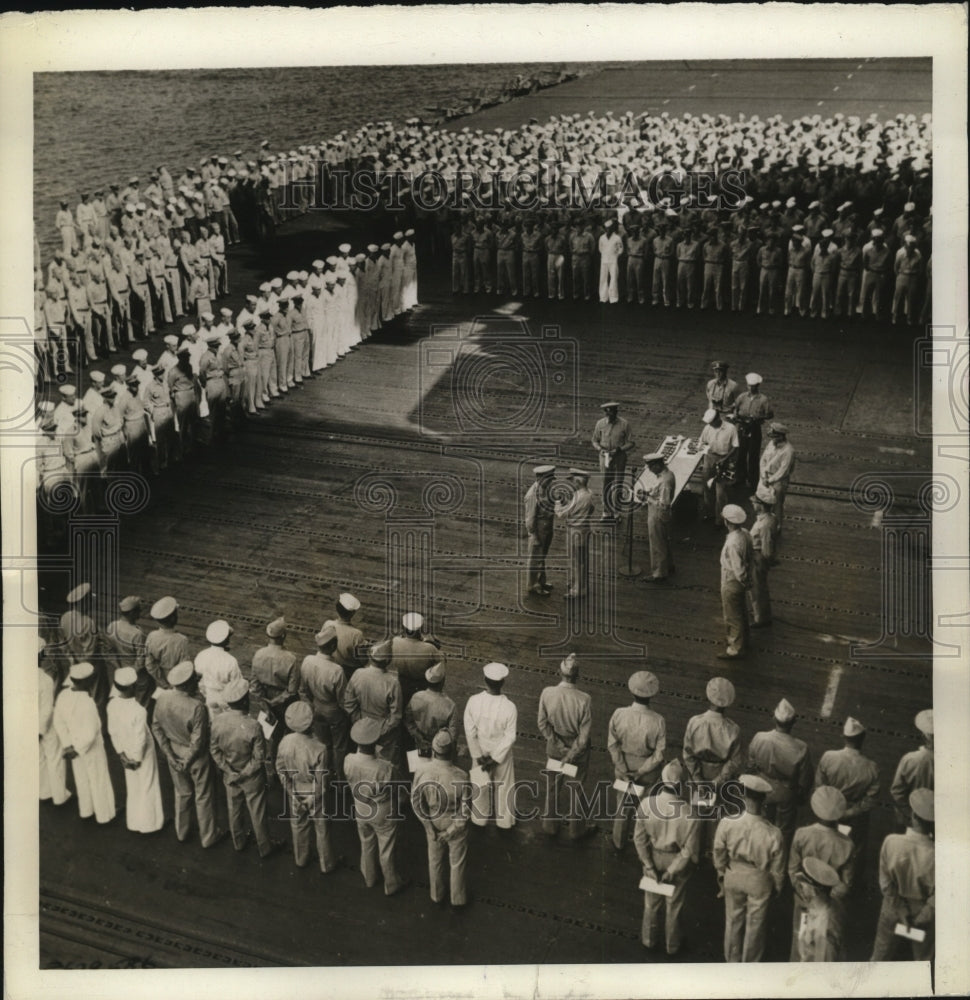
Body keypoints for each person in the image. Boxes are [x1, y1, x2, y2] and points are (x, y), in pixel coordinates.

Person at [150, 660, 225, 847]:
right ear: (188, 683)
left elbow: (156, 727)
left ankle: (181, 831)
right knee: (203, 795)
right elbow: (198, 740)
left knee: (182, 793)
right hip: (195, 756)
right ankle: (208, 836)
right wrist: (187, 760)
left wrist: (169, 755)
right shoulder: (197, 706)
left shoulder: (162, 698)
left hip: (173, 750)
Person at [712, 773, 785, 963]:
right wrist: (777, 886)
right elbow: (777, 867)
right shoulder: (774, 833)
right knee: (756, 925)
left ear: (742, 796)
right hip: (759, 879)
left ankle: (731, 960)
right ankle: (749, 963)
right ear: (763, 801)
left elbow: (718, 850)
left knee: (733, 920)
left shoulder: (728, 822)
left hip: (733, 873)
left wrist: (721, 871)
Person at [633, 759, 702, 955]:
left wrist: (647, 865)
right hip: (676, 861)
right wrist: (672, 871)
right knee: (675, 905)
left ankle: (648, 940)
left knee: (651, 903)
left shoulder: (647, 804)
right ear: (681, 785)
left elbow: (639, 839)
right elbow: (689, 850)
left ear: (662, 782)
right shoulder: (690, 813)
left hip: (653, 857)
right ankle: (673, 945)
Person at [210, 678, 282, 858]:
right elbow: (258, 758)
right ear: (244, 701)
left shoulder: (218, 721)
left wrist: (229, 771)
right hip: (251, 777)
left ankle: (239, 842)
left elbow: (215, 750)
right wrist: (244, 773)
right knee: (257, 811)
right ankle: (264, 846)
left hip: (230, 774)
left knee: (234, 809)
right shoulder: (253, 726)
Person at [344, 717, 410, 895]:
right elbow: (398, 785)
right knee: (386, 846)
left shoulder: (348, 760)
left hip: (360, 806)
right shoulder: (385, 767)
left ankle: (369, 876)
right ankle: (391, 883)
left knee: (366, 841)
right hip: (382, 809)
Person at [788, 786, 855, 959]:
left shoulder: (802, 834)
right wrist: (829, 897)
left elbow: (793, 869)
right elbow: (846, 884)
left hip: (803, 898)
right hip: (829, 904)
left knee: (800, 938)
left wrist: (802, 891)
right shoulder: (846, 844)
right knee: (824, 946)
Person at [870, 788, 935, 961]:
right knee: (923, 960)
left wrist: (900, 909)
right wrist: (924, 915)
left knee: (881, 954)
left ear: (913, 816)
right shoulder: (938, 854)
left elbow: (886, 882)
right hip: (923, 912)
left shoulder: (891, 842)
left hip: (893, 905)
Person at [537, 653, 596, 841]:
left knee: (553, 786)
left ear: (559, 672)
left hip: (555, 748)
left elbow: (542, 723)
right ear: (578, 675)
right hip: (577, 753)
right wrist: (570, 754)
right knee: (576, 788)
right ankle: (576, 830)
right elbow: (584, 736)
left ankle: (550, 825)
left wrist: (559, 747)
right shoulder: (584, 699)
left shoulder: (547, 692)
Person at [411, 729, 472, 908]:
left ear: (433, 749)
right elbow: (465, 811)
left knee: (435, 860)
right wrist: (451, 830)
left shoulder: (421, 771)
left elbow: (416, 802)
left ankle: (436, 895)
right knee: (457, 862)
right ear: (452, 750)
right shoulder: (461, 776)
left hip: (433, 818)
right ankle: (458, 899)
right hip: (454, 822)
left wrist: (429, 827)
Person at [683, 677, 742, 857]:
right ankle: (712, 852)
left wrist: (698, 779)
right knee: (717, 815)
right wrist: (717, 781)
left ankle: (693, 852)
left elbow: (688, 753)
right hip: (719, 773)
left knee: (696, 814)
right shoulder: (733, 729)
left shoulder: (695, 722)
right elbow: (734, 761)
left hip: (699, 772)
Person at [276, 701, 339, 873]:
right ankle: (326, 864)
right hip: (314, 792)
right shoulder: (320, 748)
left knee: (298, 825)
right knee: (321, 827)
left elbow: (281, 770)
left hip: (295, 789)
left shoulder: (284, 742)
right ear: (311, 723)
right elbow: (321, 780)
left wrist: (291, 792)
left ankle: (301, 858)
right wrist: (313, 798)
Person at [608, 670, 665, 854]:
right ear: (652, 695)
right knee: (646, 809)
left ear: (632, 692)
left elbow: (612, 744)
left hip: (624, 766)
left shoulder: (619, 714)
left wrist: (623, 769)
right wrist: (641, 772)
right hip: (647, 772)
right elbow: (659, 754)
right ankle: (644, 845)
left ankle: (618, 842)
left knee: (623, 807)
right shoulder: (658, 721)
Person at [52, 662, 116, 824]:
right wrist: (78, 748)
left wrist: (68, 745)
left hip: (73, 745)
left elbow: (58, 721)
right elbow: (91, 732)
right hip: (90, 749)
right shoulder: (87, 703)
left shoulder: (63, 695)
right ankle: (104, 815)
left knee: (81, 779)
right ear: (85, 681)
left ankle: (86, 810)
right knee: (98, 779)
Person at [747, 698, 813, 853]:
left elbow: (750, 765)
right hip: (786, 791)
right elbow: (805, 779)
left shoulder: (759, 737)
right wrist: (801, 795)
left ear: (774, 718)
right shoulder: (801, 747)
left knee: (761, 823)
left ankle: (759, 853)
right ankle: (778, 861)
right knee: (784, 831)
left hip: (762, 787)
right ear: (793, 722)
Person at [106, 666, 164, 833]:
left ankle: (134, 821)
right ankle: (149, 824)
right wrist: (137, 759)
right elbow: (141, 738)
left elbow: (113, 732)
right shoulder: (139, 710)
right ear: (132, 686)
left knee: (133, 786)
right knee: (147, 784)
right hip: (141, 754)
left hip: (125, 750)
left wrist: (122, 755)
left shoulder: (112, 705)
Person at [815, 717, 880, 857]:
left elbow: (819, 788)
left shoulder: (828, 757)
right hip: (855, 817)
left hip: (829, 810)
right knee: (852, 852)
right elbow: (871, 800)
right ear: (862, 738)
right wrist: (850, 812)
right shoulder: (872, 767)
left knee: (823, 845)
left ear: (844, 737)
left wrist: (831, 808)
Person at [464, 662, 518, 831]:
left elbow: (469, 730)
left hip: (480, 751)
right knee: (504, 787)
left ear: (485, 680)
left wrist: (478, 756)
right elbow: (510, 736)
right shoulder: (510, 707)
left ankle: (479, 819)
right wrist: (495, 759)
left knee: (479, 786)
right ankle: (504, 821)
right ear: (502, 682)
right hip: (501, 754)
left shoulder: (473, 701)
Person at [342, 638, 404, 775]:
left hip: (363, 726)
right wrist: (382, 730)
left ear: (370, 657)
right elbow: (396, 716)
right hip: (384, 731)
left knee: (363, 762)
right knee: (387, 766)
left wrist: (359, 721)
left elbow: (349, 703)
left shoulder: (358, 674)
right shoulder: (392, 682)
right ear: (388, 660)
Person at [299, 622, 350, 780]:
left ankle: (324, 776)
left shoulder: (307, 661)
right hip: (333, 711)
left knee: (323, 744)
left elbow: (303, 689)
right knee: (339, 746)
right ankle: (341, 779)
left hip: (316, 706)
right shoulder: (336, 670)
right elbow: (343, 700)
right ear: (333, 645)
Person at [250, 616, 299, 731]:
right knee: (285, 729)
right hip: (283, 701)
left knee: (267, 729)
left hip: (264, 698)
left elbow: (254, 684)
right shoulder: (291, 659)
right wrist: (275, 701)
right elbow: (292, 691)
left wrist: (265, 704)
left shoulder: (258, 654)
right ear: (283, 636)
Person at [793, 857, 845, 962]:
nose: (801, 888)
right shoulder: (822, 904)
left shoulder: (824, 930)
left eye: (803, 885)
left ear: (813, 891)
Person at [718, 504, 753, 660]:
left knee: (732, 615)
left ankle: (735, 648)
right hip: (739, 580)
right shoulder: (745, 534)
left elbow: (738, 568)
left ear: (728, 522)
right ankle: (745, 640)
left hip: (731, 579)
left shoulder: (732, 543)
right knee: (741, 611)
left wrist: (744, 580)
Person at [39, 638, 71, 807]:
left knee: (39, 759)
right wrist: (40, 730)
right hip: (46, 726)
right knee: (55, 758)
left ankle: (44, 791)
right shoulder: (45, 680)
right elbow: (46, 709)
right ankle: (59, 795)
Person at [555, 468, 596, 599]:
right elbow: (590, 509)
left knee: (577, 561)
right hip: (584, 529)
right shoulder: (589, 493)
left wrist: (558, 503)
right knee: (582, 560)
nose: (572, 483)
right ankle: (580, 585)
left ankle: (577, 590)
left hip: (575, 531)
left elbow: (561, 514)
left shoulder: (578, 496)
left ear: (578, 481)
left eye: (573, 481)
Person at [404, 661, 459, 757]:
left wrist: (418, 737)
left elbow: (408, 720)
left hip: (418, 744)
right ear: (443, 681)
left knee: (418, 771)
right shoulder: (450, 705)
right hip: (440, 749)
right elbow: (453, 735)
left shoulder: (416, 697)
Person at [104, 595, 151, 706]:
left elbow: (108, 651)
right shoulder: (137, 633)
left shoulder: (112, 626)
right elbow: (141, 660)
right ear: (131, 613)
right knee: (140, 704)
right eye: (138, 610)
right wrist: (131, 674)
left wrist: (118, 668)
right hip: (137, 674)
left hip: (119, 669)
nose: (140, 612)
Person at [890, 709, 934, 828]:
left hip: (909, 821)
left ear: (924, 735)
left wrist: (910, 815)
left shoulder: (910, 759)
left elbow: (897, 792)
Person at [591, 402, 635, 518]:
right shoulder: (599, 424)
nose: (610, 415)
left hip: (619, 457)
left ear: (616, 412)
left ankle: (616, 511)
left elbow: (631, 442)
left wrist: (620, 449)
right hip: (604, 457)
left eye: (612, 412)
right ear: (605, 412)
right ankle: (606, 510)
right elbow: (594, 440)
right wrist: (599, 449)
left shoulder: (624, 424)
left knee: (618, 483)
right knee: (606, 483)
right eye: (607, 412)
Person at [390, 611, 441, 709]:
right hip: (421, 684)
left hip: (402, 681)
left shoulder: (395, 641)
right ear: (420, 629)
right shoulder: (429, 648)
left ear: (404, 627)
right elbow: (439, 663)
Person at [194, 618, 244, 718]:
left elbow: (200, 682)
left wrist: (206, 693)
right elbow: (238, 685)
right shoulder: (230, 660)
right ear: (226, 639)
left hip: (209, 696)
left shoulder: (201, 655)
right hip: (226, 700)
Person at [639, 451, 675, 583]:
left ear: (657, 465)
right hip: (661, 513)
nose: (649, 470)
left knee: (657, 543)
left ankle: (659, 573)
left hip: (658, 513)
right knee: (664, 540)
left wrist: (646, 498)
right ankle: (669, 566)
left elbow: (664, 504)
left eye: (650, 467)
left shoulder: (665, 481)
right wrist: (650, 492)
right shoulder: (666, 475)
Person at [732, 373, 773, 489]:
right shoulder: (742, 397)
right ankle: (740, 478)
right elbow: (735, 408)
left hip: (755, 429)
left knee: (753, 456)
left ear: (758, 386)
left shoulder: (763, 400)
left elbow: (770, 414)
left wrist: (759, 418)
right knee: (740, 454)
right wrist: (736, 416)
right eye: (749, 386)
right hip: (741, 427)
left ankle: (753, 482)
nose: (751, 388)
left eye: (753, 386)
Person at [699, 408, 739, 525]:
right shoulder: (707, 428)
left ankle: (719, 519)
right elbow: (703, 443)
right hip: (709, 457)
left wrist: (724, 460)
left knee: (720, 492)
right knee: (707, 487)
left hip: (723, 459)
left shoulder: (731, 429)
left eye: (712, 422)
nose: (711, 425)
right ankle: (709, 513)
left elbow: (735, 447)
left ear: (718, 419)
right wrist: (703, 461)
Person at [144, 595, 189, 695]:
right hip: (177, 682)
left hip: (160, 682)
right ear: (173, 618)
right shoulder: (181, 640)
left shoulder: (152, 636)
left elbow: (149, 665)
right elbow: (184, 666)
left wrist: (162, 682)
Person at [524, 464, 556, 596]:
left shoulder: (546, 488)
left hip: (547, 527)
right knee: (535, 558)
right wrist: (534, 536)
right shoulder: (532, 495)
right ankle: (533, 585)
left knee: (541, 556)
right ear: (540, 478)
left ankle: (541, 581)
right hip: (538, 530)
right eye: (548, 478)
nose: (551, 481)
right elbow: (530, 519)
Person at [759, 422, 796, 531]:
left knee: (777, 504)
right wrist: (763, 475)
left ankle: (777, 526)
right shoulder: (771, 443)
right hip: (765, 477)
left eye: (774, 437)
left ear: (781, 436)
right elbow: (763, 460)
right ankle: (764, 524)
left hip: (778, 481)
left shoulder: (788, 451)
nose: (772, 440)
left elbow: (783, 471)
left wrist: (770, 480)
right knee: (763, 502)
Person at [321, 592, 367, 678]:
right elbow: (364, 661)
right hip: (348, 673)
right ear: (353, 613)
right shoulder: (356, 634)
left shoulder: (328, 624)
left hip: (329, 666)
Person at [748, 494, 776, 628]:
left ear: (761, 505)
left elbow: (767, 545)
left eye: (755, 502)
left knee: (757, 588)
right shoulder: (770, 518)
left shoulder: (765, 524)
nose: (753, 504)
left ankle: (761, 618)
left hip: (758, 557)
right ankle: (760, 613)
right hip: (758, 556)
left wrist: (764, 561)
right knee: (759, 587)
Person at [598, 218, 624, 303]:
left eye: (610, 228)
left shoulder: (617, 238)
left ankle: (613, 298)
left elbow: (620, 249)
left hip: (613, 260)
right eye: (606, 228)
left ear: (612, 229)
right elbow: (600, 248)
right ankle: (603, 297)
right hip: (604, 260)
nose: (608, 230)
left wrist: (616, 256)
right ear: (605, 229)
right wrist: (605, 255)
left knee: (614, 278)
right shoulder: (602, 238)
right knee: (603, 278)